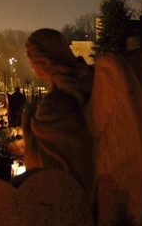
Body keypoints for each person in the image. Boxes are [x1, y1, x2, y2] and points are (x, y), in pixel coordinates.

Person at [21, 28, 96, 194]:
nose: (28, 59)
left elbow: (47, 168)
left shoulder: (55, 105)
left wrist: (29, 123)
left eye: (30, 54)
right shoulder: (87, 85)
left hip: (63, 195)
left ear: (43, 58)